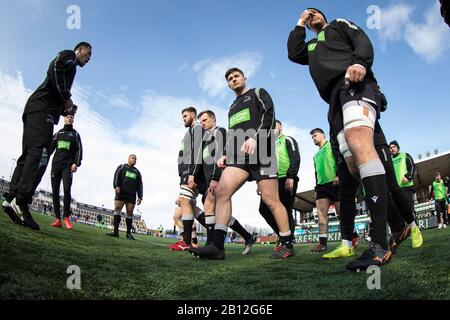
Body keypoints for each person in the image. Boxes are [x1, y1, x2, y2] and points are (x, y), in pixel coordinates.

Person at [287, 8, 394, 270]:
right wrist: (299, 23)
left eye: (315, 13)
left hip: (354, 82)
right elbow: (293, 52)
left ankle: (380, 243)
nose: (311, 16)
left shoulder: (338, 25)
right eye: (307, 15)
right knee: (353, 166)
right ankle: (399, 224)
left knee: (360, 141)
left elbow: (362, 39)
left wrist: (360, 62)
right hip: (333, 100)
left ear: (324, 16)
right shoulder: (311, 46)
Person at [190, 67, 295, 260]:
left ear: (244, 78)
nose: (233, 80)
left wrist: (255, 138)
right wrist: (225, 154)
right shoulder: (231, 107)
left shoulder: (258, 93)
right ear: (228, 85)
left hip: (262, 152)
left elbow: (268, 117)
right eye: (229, 79)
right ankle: (217, 246)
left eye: (236, 76)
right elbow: (231, 134)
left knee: (271, 200)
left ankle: (287, 243)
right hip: (239, 157)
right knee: (222, 192)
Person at [2, 42, 92, 230]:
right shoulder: (70, 58)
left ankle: (10, 199)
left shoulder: (71, 68)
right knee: (39, 153)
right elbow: (55, 66)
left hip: (37, 108)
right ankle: (21, 201)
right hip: (41, 110)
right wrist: (66, 96)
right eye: (87, 53)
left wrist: (65, 108)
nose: (88, 58)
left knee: (27, 154)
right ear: (79, 50)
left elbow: (55, 90)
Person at [197, 109, 257, 255]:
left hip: (218, 179)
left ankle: (211, 244)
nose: (202, 124)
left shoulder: (220, 133)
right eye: (201, 122)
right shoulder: (205, 140)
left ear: (213, 119)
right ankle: (248, 237)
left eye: (204, 120)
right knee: (221, 216)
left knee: (210, 207)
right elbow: (205, 164)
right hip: (208, 182)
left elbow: (222, 157)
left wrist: (216, 178)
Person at [170, 107, 205, 251]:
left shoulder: (197, 128)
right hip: (186, 171)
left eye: (185, 116)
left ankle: (186, 241)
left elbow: (197, 151)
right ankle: (192, 239)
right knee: (190, 207)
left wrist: (192, 172)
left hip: (190, 171)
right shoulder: (190, 131)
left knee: (185, 202)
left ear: (192, 115)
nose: (183, 119)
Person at [259, 120, 299, 242]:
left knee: (286, 209)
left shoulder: (288, 139)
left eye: (274, 127)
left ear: (280, 127)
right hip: (270, 180)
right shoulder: (267, 145)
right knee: (263, 209)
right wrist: (261, 182)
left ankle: (287, 242)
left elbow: (295, 157)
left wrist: (291, 176)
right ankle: (283, 235)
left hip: (286, 179)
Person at [308, 128, 340, 253]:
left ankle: (351, 237)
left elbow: (339, 159)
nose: (313, 138)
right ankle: (322, 244)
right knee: (321, 215)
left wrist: (339, 175)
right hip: (321, 186)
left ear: (322, 135)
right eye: (312, 137)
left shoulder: (332, 144)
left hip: (335, 182)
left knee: (341, 212)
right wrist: (316, 186)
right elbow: (316, 172)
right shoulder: (315, 155)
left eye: (315, 135)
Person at [49, 113, 83, 230]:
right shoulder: (58, 133)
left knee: (67, 190)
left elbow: (79, 150)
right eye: (67, 117)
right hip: (56, 165)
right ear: (64, 119)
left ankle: (66, 218)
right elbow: (50, 148)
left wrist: (76, 163)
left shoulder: (75, 134)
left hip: (67, 167)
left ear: (73, 120)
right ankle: (58, 219)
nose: (69, 118)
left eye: (71, 117)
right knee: (55, 191)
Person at [389, 140, 423, 247]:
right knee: (398, 212)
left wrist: (408, 177)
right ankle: (405, 232)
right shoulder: (389, 160)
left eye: (394, 147)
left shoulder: (405, 155)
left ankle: (415, 231)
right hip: (395, 190)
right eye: (390, 148)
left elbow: (412, 166)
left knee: (409, 209)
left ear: (398, 148)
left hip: (407, 187)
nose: (392, 149)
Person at [106, 154, 143, 239]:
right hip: (121, 192)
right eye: (132, 158)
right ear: (128, 159)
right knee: (117, 210)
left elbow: (140, 185)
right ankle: (115, 232)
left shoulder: (137, 172)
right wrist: (116, 186)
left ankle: (128, 234)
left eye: (135, 159)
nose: (134, 160)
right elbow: (116, 176)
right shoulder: (122, 167)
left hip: (131, 195)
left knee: (130, 213)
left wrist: (140, 196)